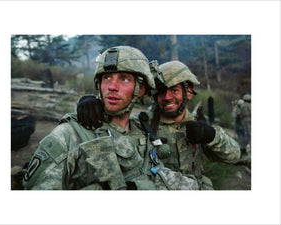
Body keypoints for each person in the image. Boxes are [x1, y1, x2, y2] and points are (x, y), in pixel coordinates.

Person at [22, 46, 198, 190]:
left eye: (124, 79)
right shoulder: (69, 134)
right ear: (99, 84)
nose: (112, 87)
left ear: (141, 89)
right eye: (107, 78)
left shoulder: (144, 130)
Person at [77, 60, 241, 190]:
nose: (167, 97)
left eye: (174, 90)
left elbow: (234, 156)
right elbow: (110, 129)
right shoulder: (141, 123)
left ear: (189, 92)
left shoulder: (199, 126)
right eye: (161, 92)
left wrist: (212, 136)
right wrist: (91, 104)